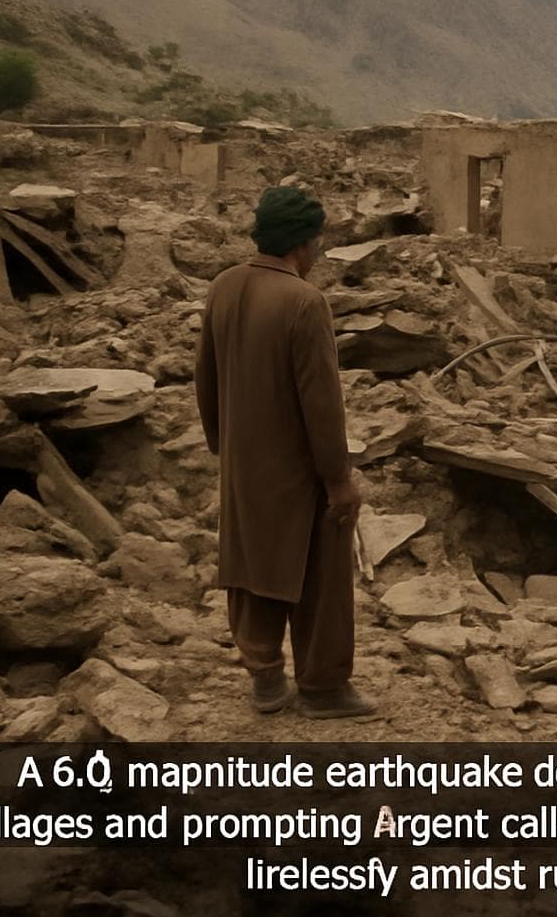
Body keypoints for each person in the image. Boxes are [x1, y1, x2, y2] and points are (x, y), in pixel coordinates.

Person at [194, 186, 374, 719]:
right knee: (321, 570)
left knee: (253, 564)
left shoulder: (223, 286)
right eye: (318, 240)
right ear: (306, 243)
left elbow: (205, 375)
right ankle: (323, 688)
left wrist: (224, 446)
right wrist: (338, 478)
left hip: (242, 460)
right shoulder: (303, 301)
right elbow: (322, 402)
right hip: (298, 468)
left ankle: (266, 680)